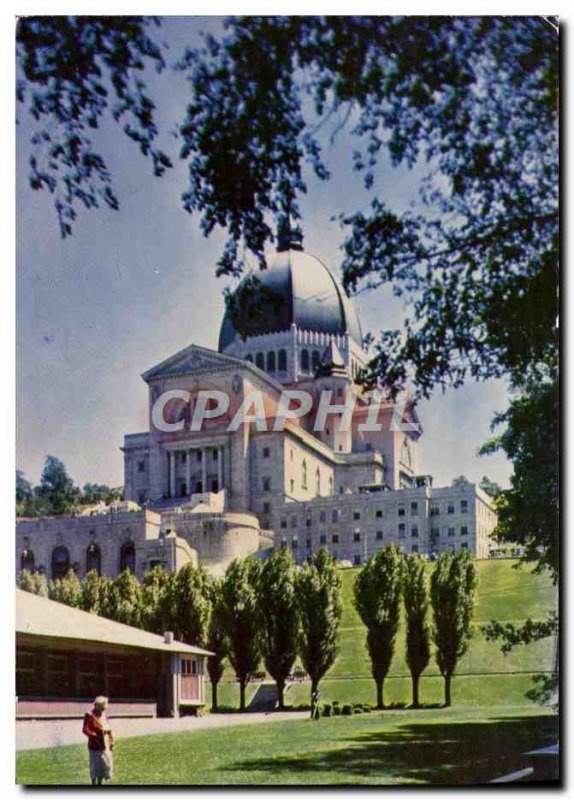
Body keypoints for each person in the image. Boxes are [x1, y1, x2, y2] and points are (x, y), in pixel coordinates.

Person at [82, 696, 115, 785]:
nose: (102, 710)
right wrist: (94, 735)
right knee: (94, 767)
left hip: (104, 744)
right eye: (101, 708)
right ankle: (93, 783)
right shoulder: (89, 715)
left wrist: (112, 740)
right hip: (94, 746)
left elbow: (109, 729)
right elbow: (85, 729)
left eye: (104, 708)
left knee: (103, 765)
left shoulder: (104, 715)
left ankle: (99, 784)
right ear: (96, 706)